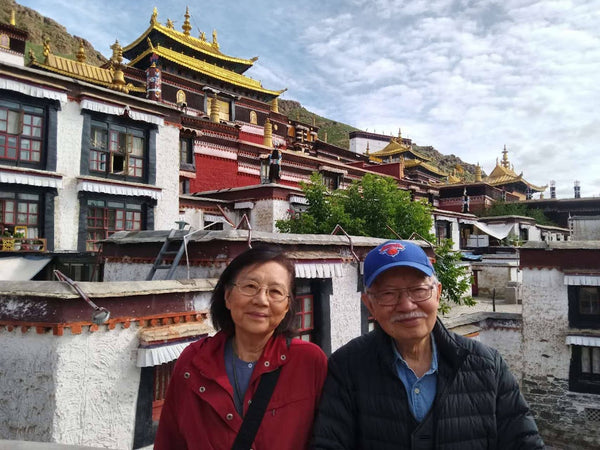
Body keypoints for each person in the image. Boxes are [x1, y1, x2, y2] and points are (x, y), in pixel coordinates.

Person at [312, 240, 544, 449]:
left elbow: (524, 442)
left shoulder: (487, 365)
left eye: (418, 290)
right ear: (370, 305)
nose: (406, 305)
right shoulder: (347, 366)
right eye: (388, 294)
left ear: (437, 293)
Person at [155, 247, 327, 450]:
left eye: (275, 292)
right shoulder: (193, 361)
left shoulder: (309, 362)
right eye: (250, 286)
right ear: (228, 296)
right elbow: (170, 440)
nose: (261, 300)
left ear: (287, 306)